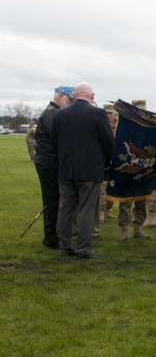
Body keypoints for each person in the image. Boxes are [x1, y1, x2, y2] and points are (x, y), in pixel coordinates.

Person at [52, 82, 114, 259]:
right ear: (91, 96)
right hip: (89, 170)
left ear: (75, 95)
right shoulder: (97, 113)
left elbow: (55, 141)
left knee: (65, 208)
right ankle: (84, 248)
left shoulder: (59, 114)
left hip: (65, 169)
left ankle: (64, 247)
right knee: (86, 210)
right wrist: (107, 162)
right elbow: (108, 142)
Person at [33, 85, 75, 250]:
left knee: (55, 199)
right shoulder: (52, 113)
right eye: (70, 99)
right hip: (49, 163)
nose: (71, 103)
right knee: (52, 200)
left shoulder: (54, 112)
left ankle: (54, 236)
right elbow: (58, 138)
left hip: (50, 161)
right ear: (60, 96)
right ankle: (51, 239)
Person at [117, 99, 152, 241]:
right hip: (127, 165)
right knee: (125, 200)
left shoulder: (150, 124)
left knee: (142, 200)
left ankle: (138, 228)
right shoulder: (125, 124)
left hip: (144, 168)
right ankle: (125, 229)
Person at [99, 102, 118, 222]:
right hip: (103, 160)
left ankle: (108, 209)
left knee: (113, 186)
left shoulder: (120, 124)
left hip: (116, 160)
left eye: (110, 113)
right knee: (102, 187)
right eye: (106, 113)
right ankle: (100, 211)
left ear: (114, 113)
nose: (108, 115)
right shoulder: (100, 123)